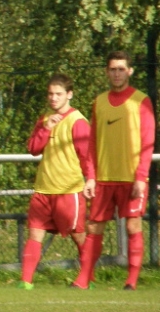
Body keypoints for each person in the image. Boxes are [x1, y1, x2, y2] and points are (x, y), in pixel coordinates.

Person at [74, 51, 156, 290]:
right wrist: (90, 176)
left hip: (131, 178)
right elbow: (92, 143)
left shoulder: (141, 101)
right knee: (93, 227)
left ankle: (131, 281)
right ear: (107, 72)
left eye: (121, 69)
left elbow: (148, 141)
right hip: (104, 178)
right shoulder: (99, 102)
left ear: (130, 71)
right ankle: (84, 279)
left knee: (133, 226)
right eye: (113, 69)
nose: (117, 74)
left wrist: (141, 177)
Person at [19, 74, 92, 289]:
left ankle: (87, 278)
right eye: (50, 94)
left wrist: (91, 179)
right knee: (34, 233)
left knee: (79, 236)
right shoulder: (45, 119)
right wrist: (46, 128)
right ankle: (25, 282)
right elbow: (33, 148)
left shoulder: (78, 121)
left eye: (58, 94)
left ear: (69, 95)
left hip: (69, 190)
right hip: (43, 189)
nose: (53, 98)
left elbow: (88, 156)